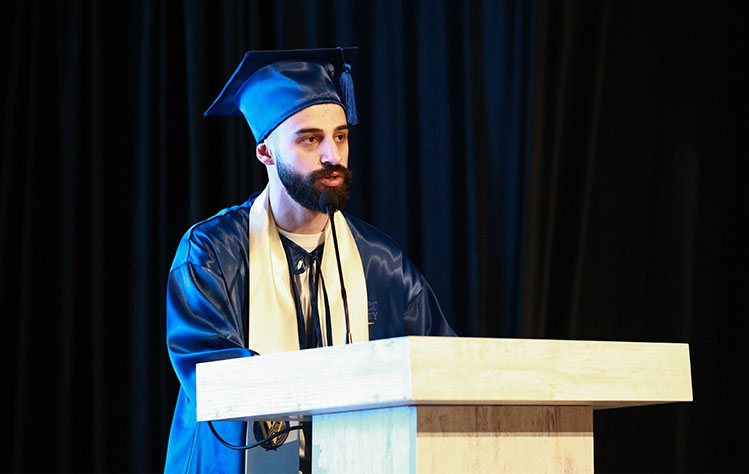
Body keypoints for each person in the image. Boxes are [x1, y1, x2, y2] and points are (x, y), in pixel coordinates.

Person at [164, 47, 455, 474]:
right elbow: (209, 370)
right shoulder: (212, 253)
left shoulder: (382, 262)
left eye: (340, 136)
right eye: (309, 139)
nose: (332, 156)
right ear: (265, 153)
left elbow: (443, 366)